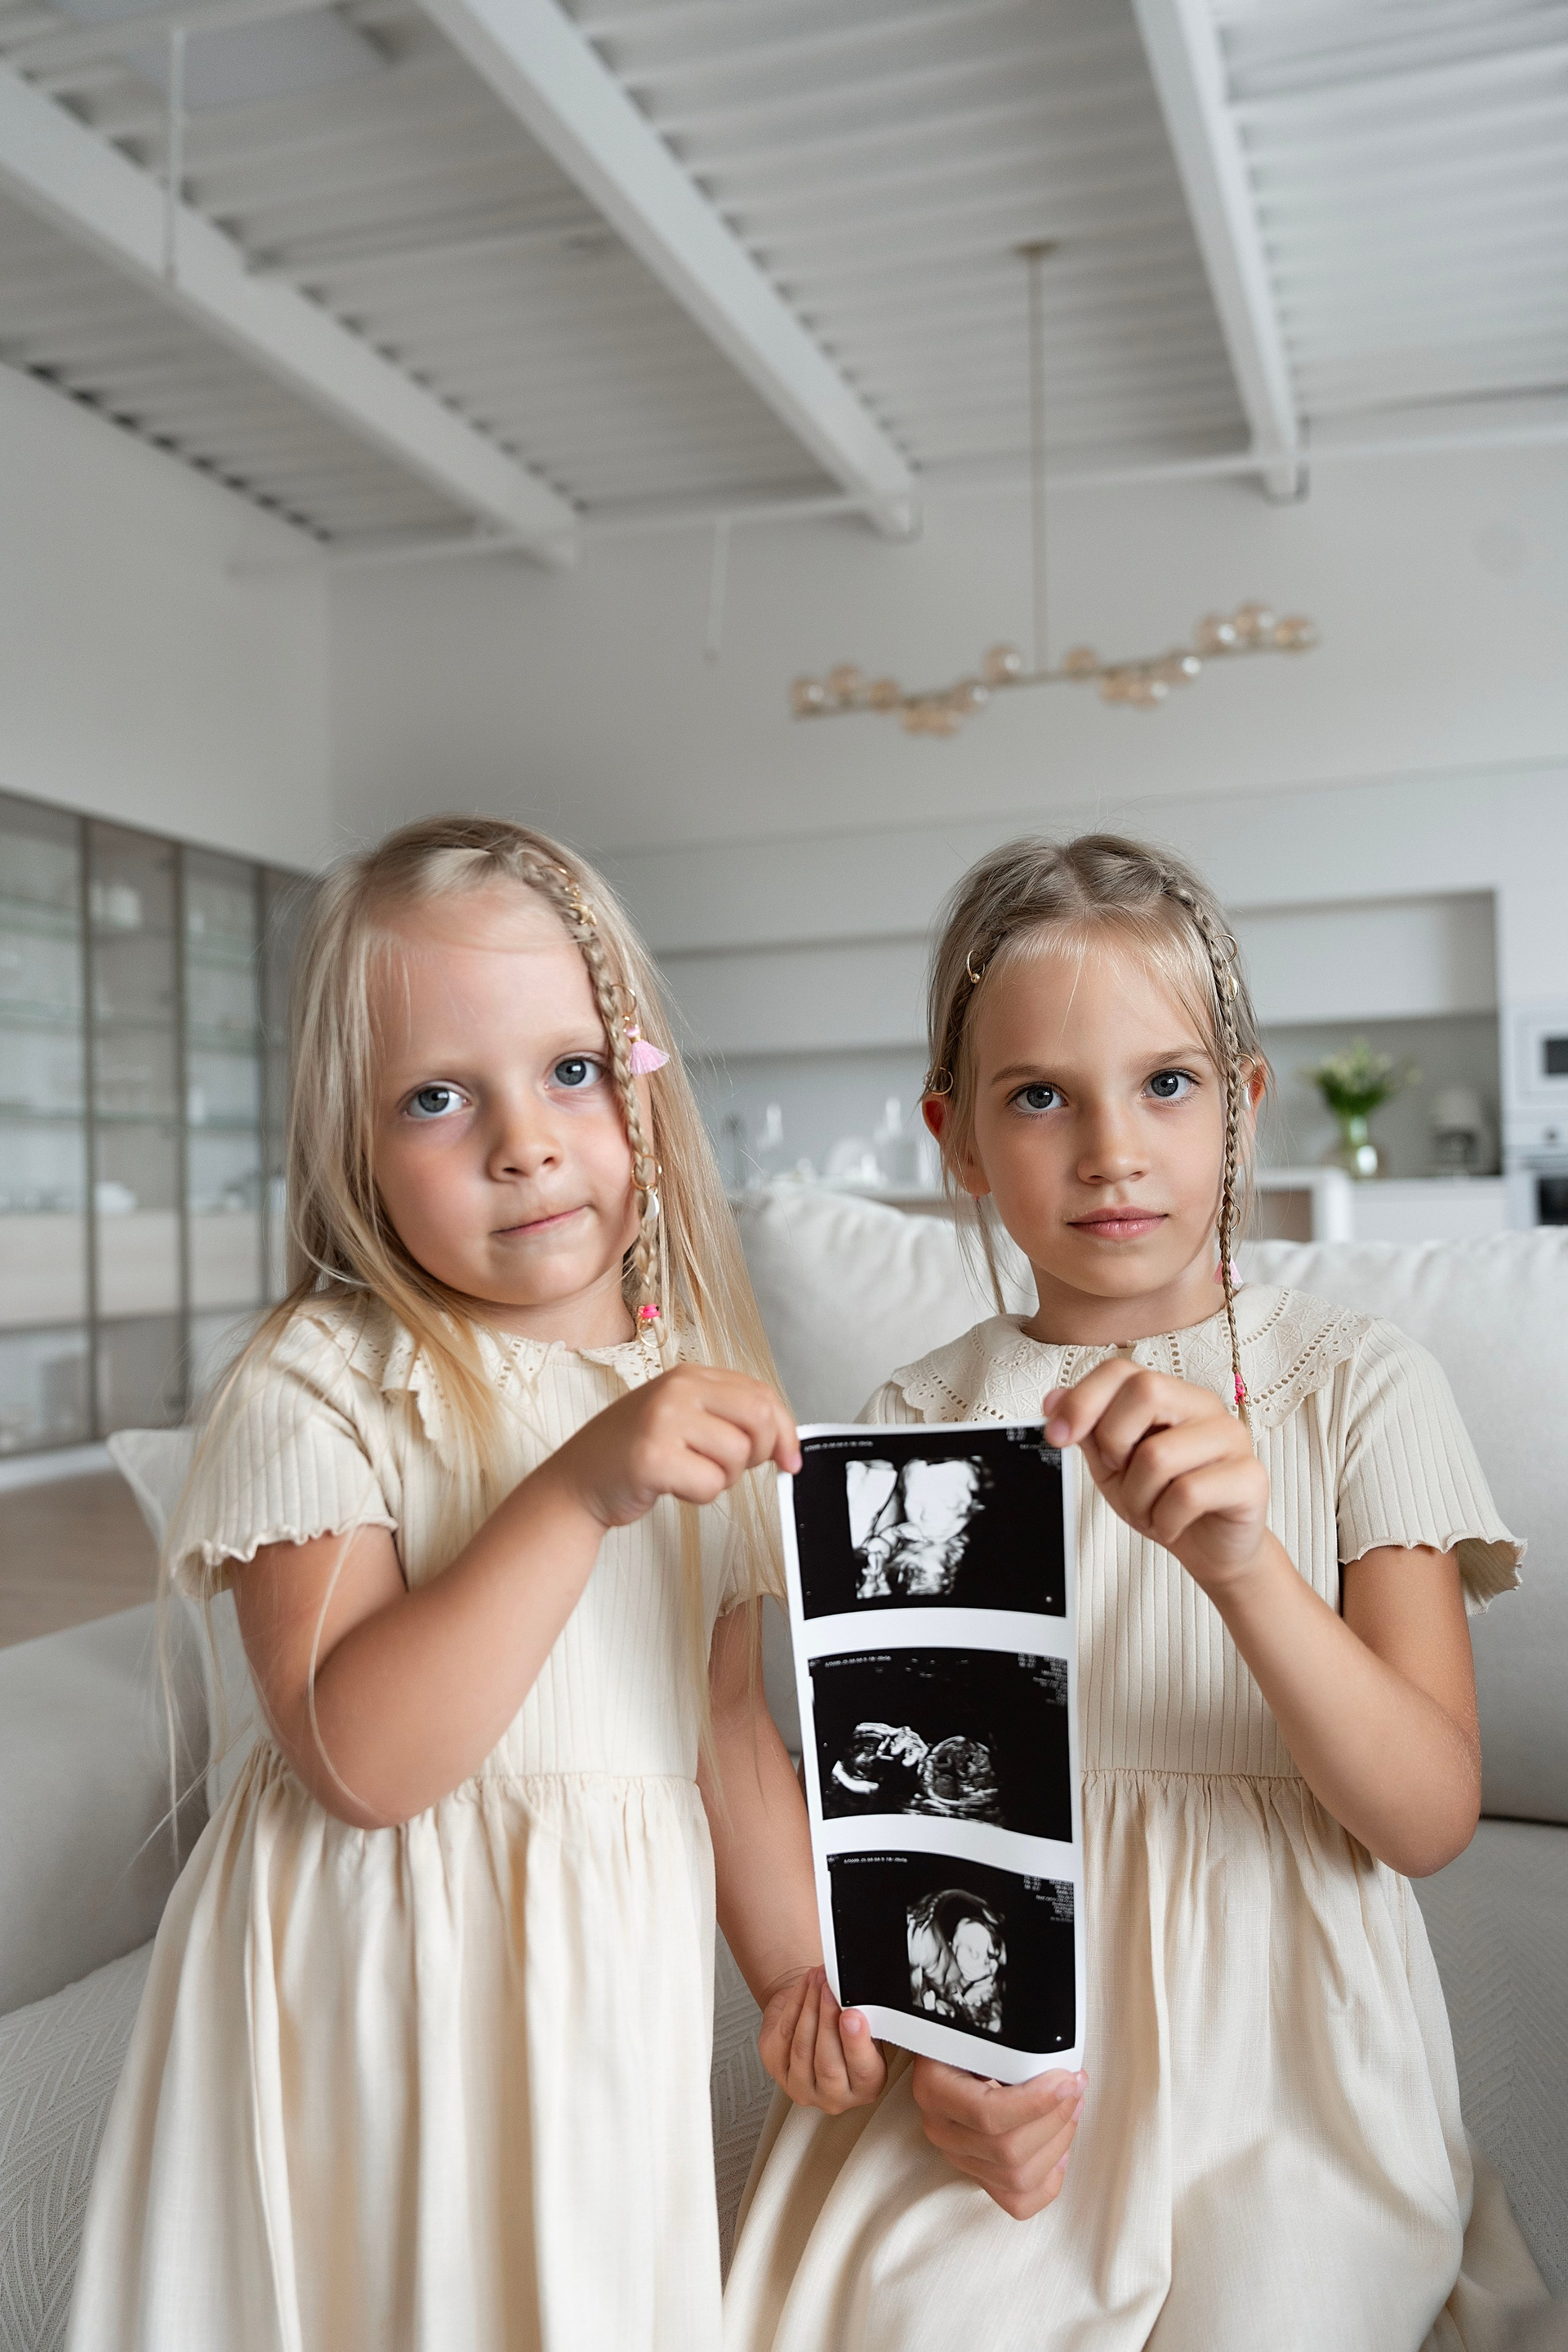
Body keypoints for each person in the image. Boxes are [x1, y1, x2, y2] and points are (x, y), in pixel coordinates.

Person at [725, 834, 1549, 2352]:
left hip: (1284, 2063)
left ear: (1243, 1103)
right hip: (1012, 2055)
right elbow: (909, 1832)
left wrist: (1245, 1566)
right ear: (957, 1138)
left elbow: (1427, 1818)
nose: (1111, 1148)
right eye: (1041, 1097)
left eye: (1167, 1083)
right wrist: (942, 2075)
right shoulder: (916, 1426)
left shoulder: (1360, 1389)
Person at [66, 816, 837, 2352]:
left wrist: (802, 1977)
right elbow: (364, 1761)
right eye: (437, 1097)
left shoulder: (692, 1380)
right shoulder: (320, 1377)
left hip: (600, 2006)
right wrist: (574, 1492)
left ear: (644, 1085)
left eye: (573, 1070)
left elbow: (727, 1736)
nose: (524, 1142)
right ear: (351, 1146)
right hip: (377, 2007)